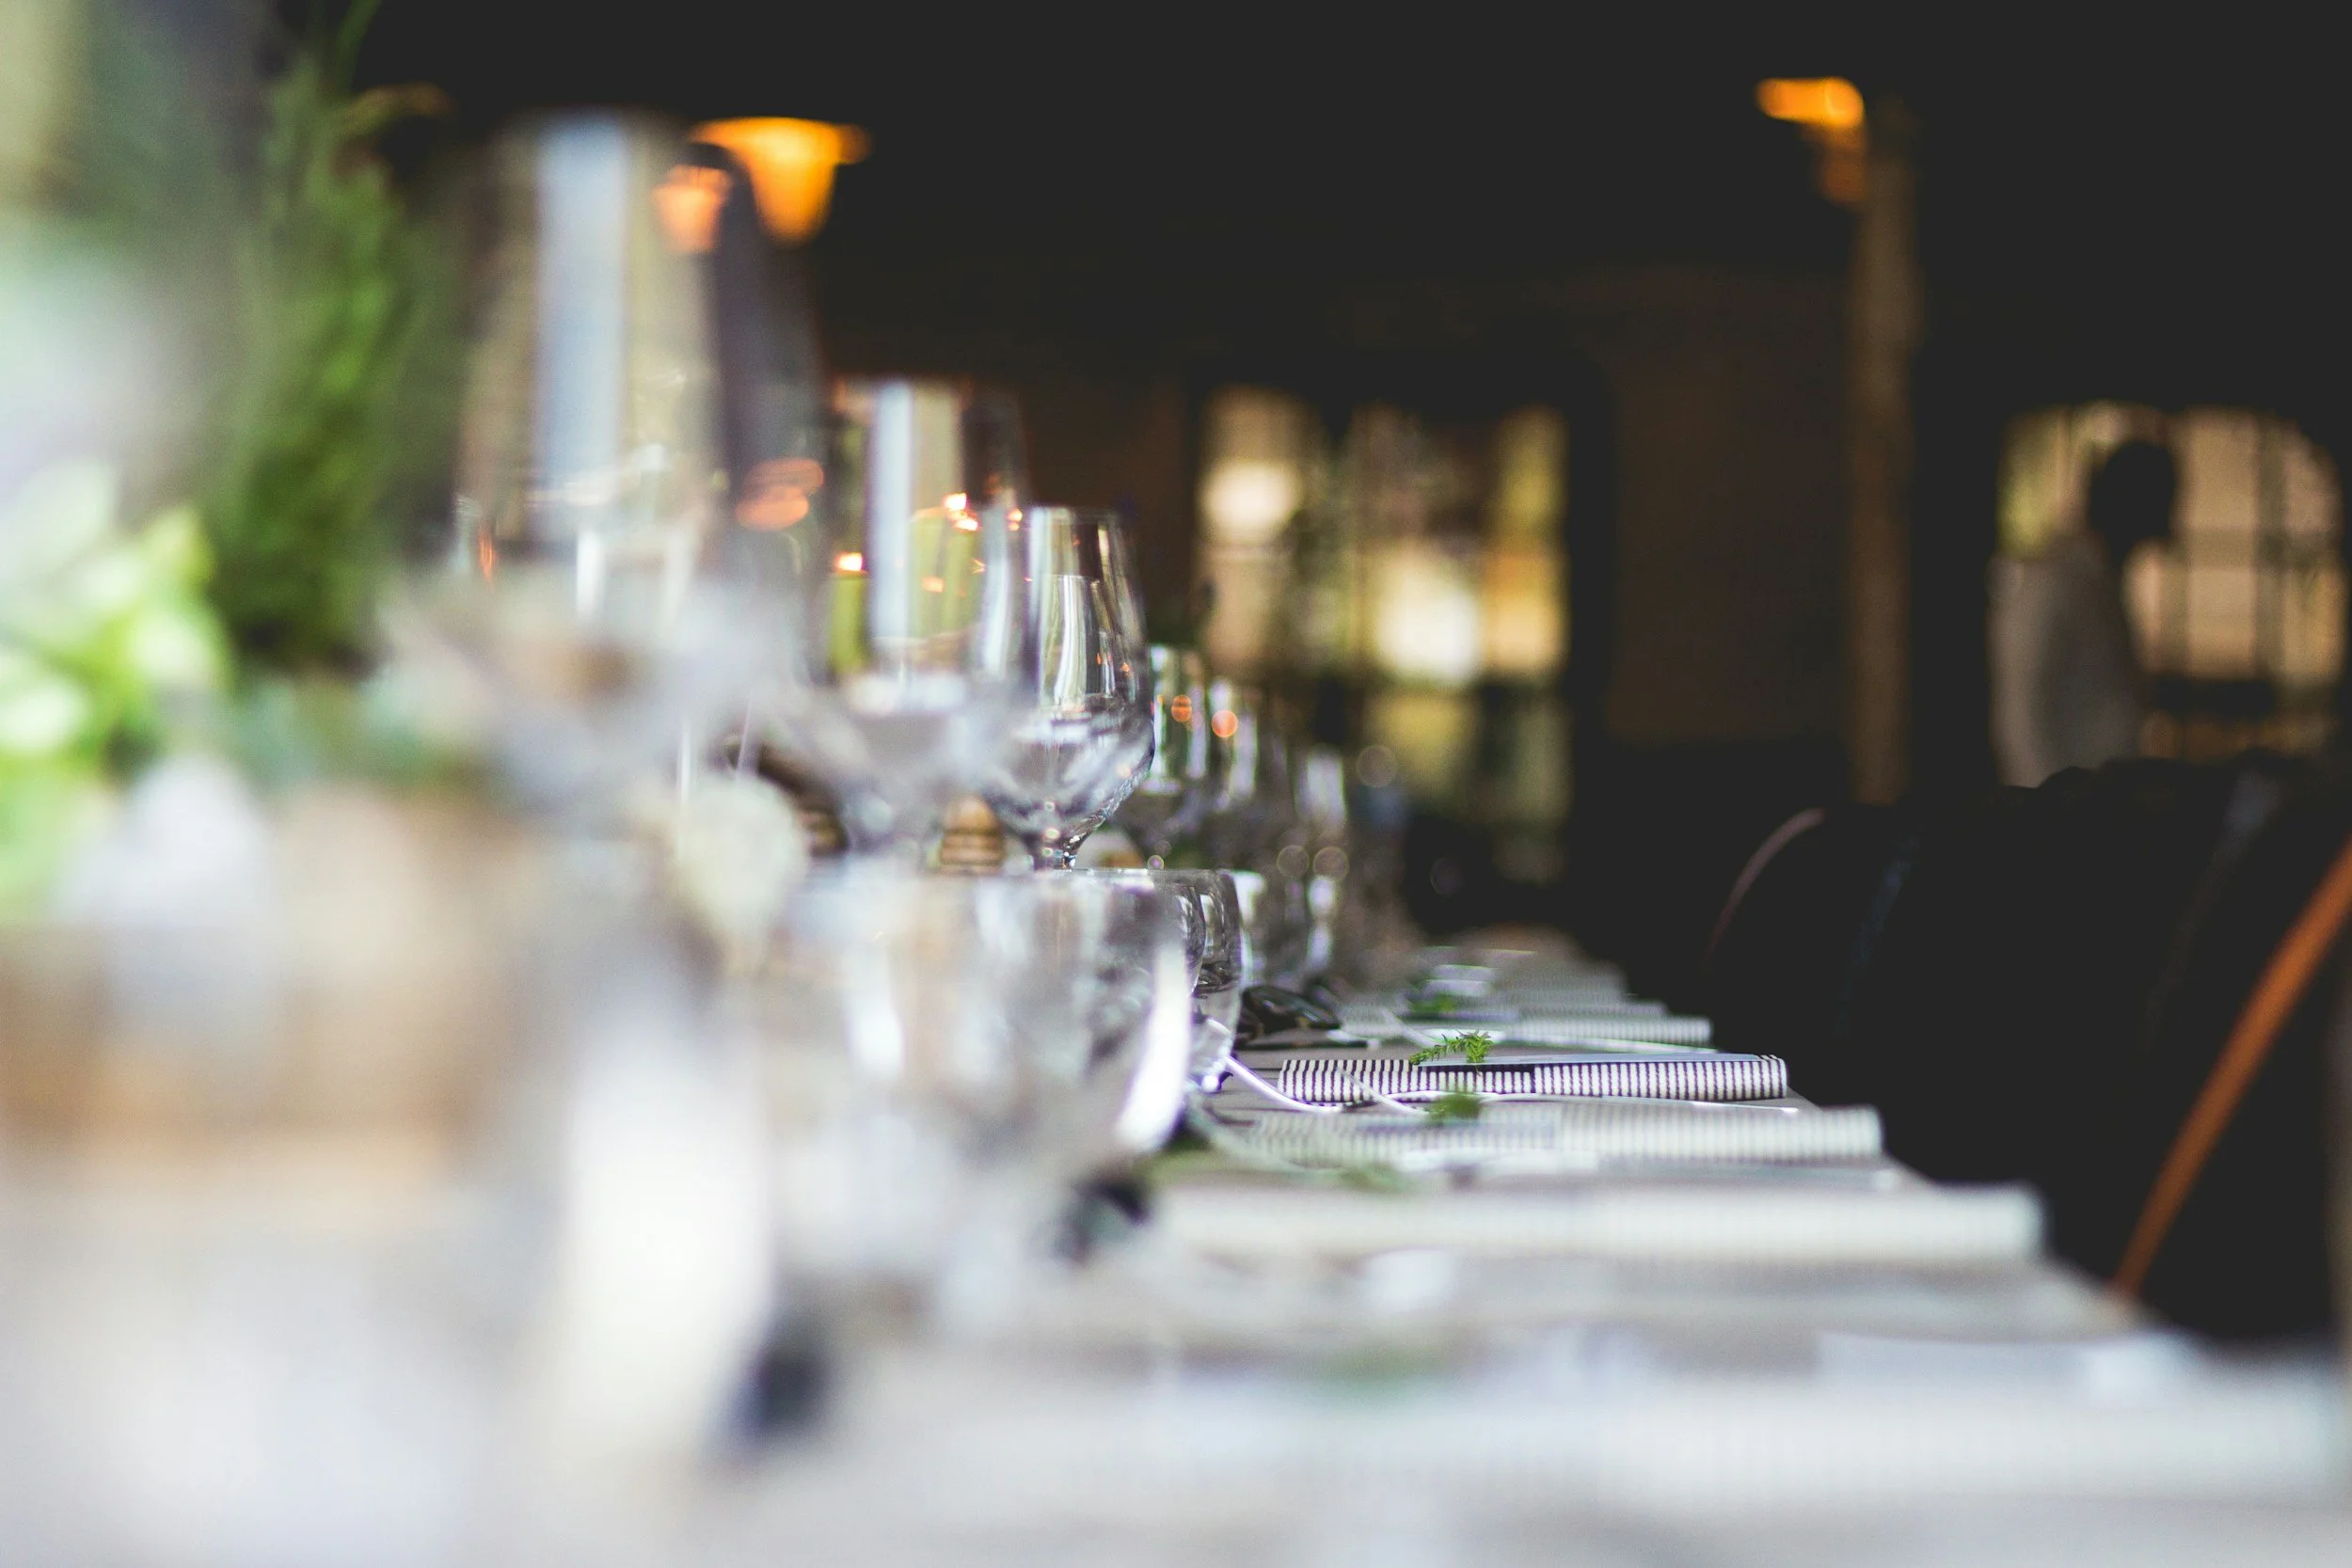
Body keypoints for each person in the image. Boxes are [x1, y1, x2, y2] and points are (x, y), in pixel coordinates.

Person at [1990, 438, 2179, 785]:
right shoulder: (2055, 584)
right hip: (2065, 818)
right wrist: (2049, 815)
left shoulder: (2099, 584)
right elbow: (2020, 716)